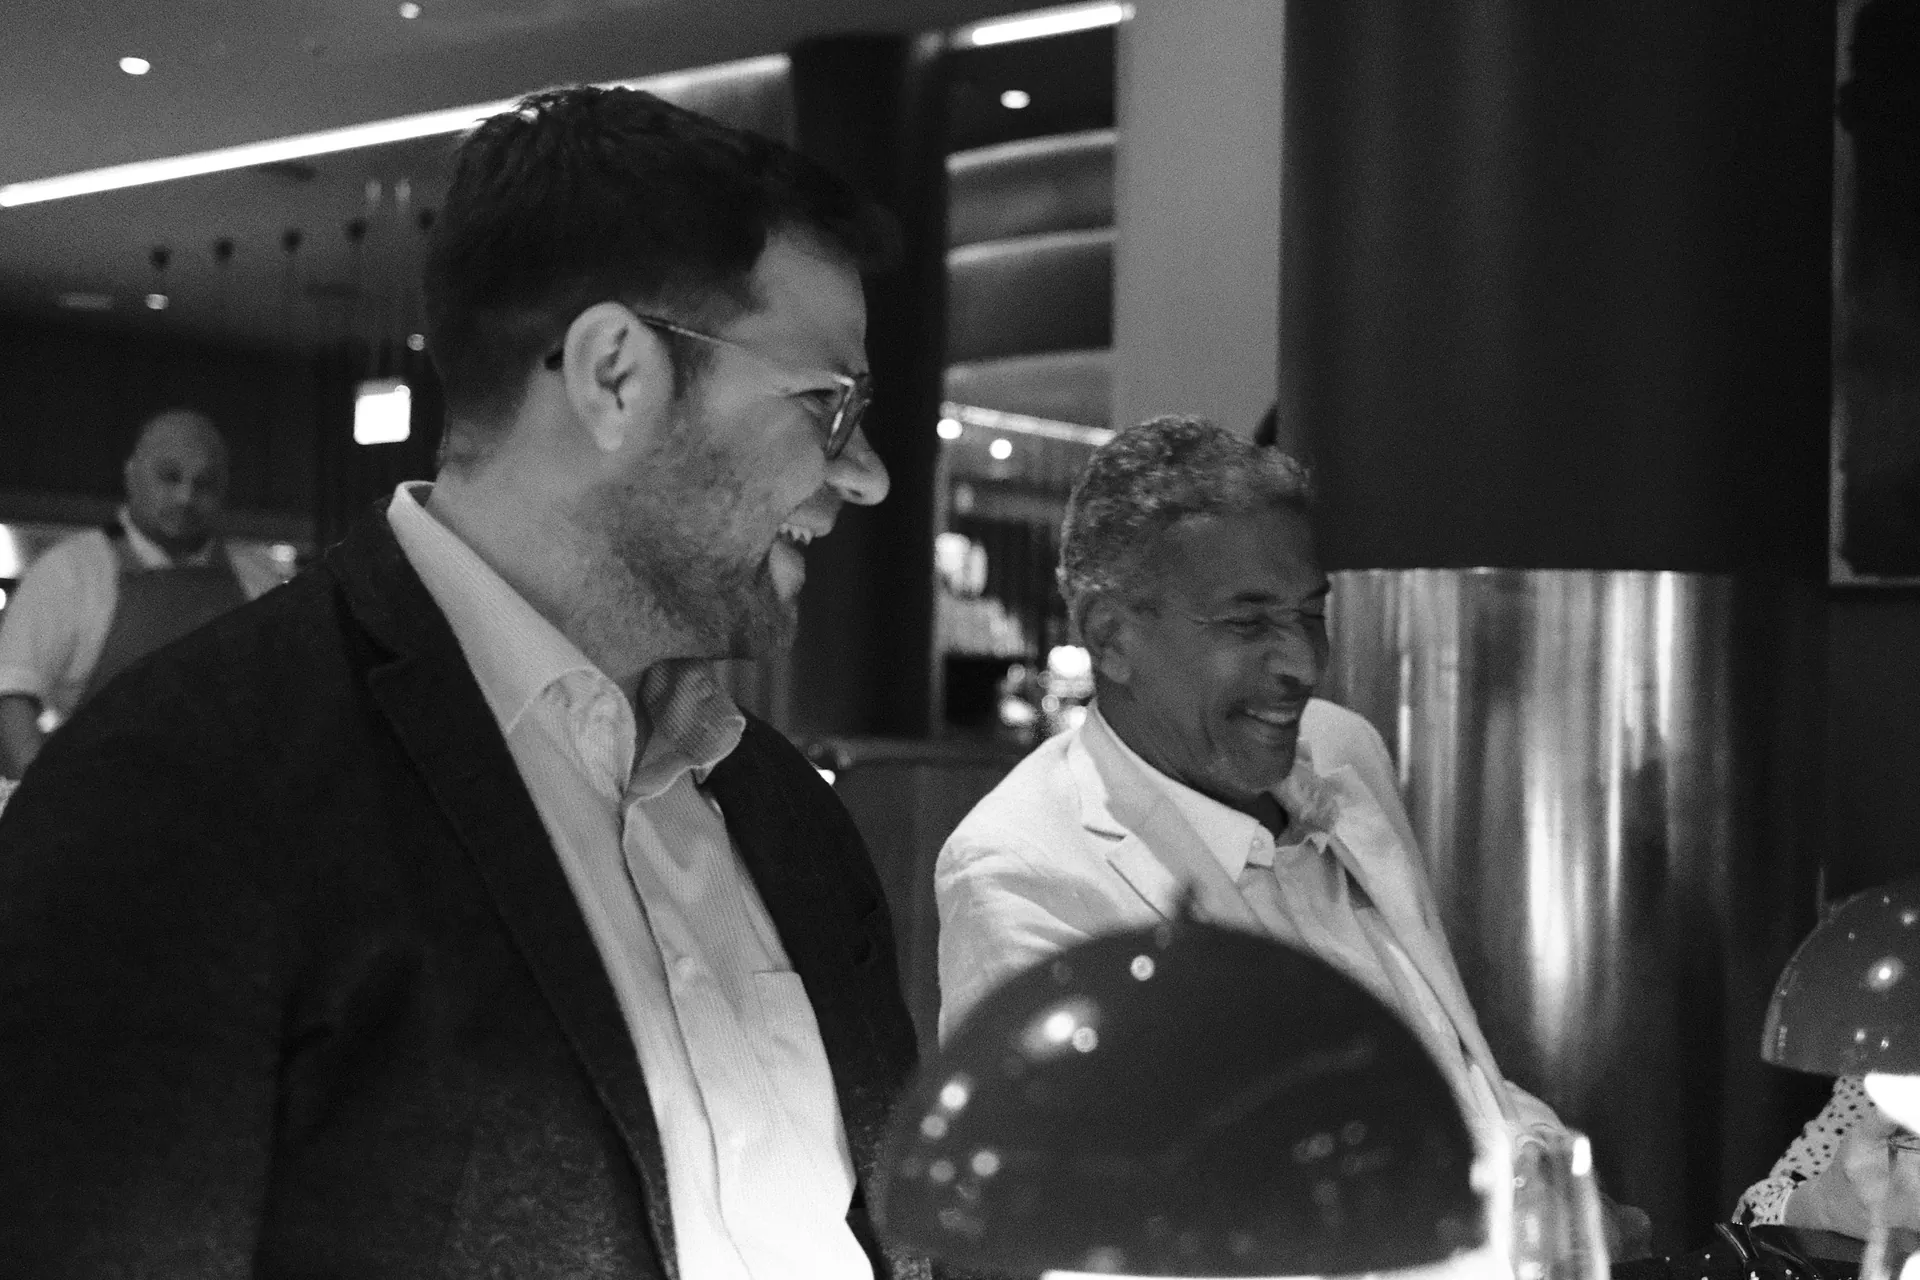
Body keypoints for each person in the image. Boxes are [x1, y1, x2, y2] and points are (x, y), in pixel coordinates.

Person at [0, 85, 922, 1279]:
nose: (868, 474)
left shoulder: (788, 812)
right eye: (828, 403)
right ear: (615, 375)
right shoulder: (178, 794)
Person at [935, 415, 1651, 1254]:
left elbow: (1455, 1070)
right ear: (1110, 637)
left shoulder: (1343, 749)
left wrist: (1554, 1182)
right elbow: (1111, 1225)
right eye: (1247, 624)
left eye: (1311, 613)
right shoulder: (1022, 870)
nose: (1305, 664)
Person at [0, 408, 283, 776]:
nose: (185, 496)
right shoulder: (70, 573)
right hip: (99, 799)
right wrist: (43, 795)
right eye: (169, 476)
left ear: (225, 487)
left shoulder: (260, 582)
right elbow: (12, 700)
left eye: (205, 482)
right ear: (131, 474)